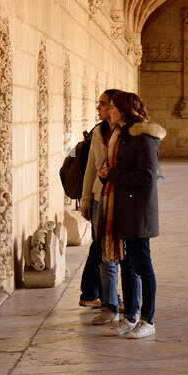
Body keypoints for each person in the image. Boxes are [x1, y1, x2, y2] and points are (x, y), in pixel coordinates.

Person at [96, 91, 165, 339]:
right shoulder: (124, 136)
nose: (109, 112)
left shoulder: (143, 137)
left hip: (138, 211)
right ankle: (130, 316)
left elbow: (148, 176)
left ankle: (149, 319)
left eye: (113, 108)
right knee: (127, 264)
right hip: (124, 209)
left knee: (143, 265)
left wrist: (112, 175)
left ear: (123, 111)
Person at [80, 89, 122, 323]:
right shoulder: (98, 132)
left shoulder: (128, 132)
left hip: (119, 197)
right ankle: (108, 300)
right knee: (101, 248)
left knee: (120, 252)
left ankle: (122, 299)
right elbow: (90, 169)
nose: (99, 108)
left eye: (103, 104)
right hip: (98, 197)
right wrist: (85, 200)